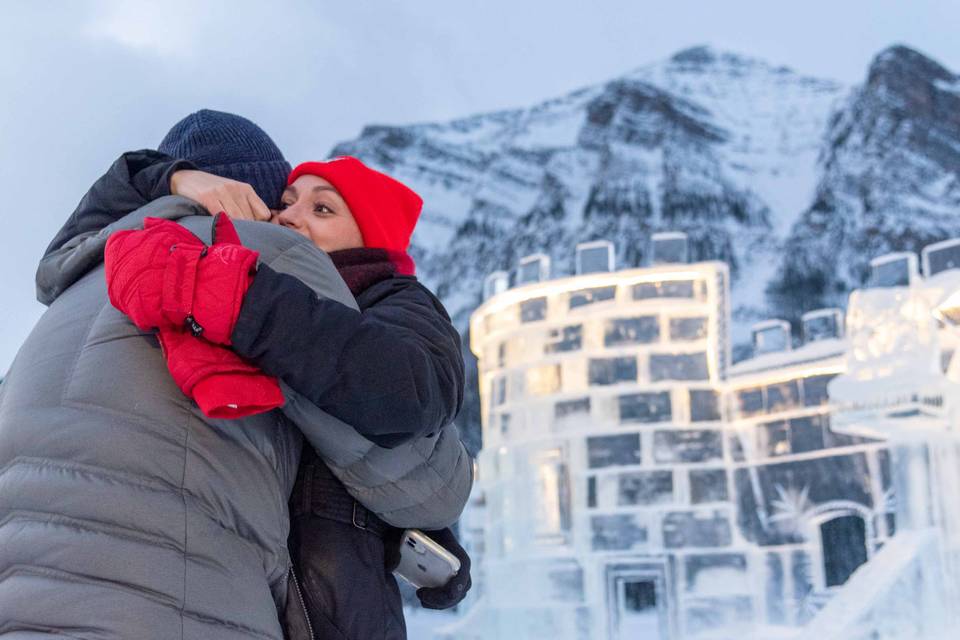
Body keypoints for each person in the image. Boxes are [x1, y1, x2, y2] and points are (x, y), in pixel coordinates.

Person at [0, 111, 472, 639]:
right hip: (199, 603)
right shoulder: (262, 266)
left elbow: (395, 392)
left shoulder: (83, 283)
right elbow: (429, 480)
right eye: (286, 200)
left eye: (320, 208)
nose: (289, 218)